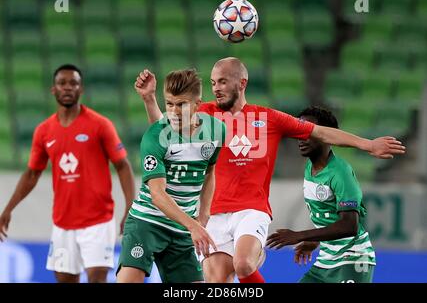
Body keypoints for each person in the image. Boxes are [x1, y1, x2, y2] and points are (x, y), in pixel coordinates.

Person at [135, 57, 405, 283]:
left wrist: (367, 144)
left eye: (223, 82)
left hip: (251, 210)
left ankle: (254, 253)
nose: (216, 88)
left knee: (242, 265)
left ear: (242, 83)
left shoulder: (269, 118)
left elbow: (321, 132)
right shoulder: (204, 113)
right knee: (215, 280)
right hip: (213, 213)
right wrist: (149, 100)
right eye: (214, 82)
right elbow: (164, 132)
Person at [0, 64, 136, 283]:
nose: (67, 87)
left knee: (97, 279)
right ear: (53, 89)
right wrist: (8, 209)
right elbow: (32, 173)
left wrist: (130, 206)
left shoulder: (100, 125)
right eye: (62, 83)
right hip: (63, 223)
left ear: (81, 89)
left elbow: (123, 165)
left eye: (73, 83)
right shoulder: (44, 131)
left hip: (98, 221)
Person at [116, 68, 226, 283]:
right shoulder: (154, 136)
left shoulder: (217, 131)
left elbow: (210, 170)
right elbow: (157, 195)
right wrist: (194, 226)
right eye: (169, 104)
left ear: (197, 104)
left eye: (182, 104)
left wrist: (203, 214)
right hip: (146, 223)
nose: (174, 111)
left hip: (182, 229)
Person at [267, 106, 376, 283]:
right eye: (299, 131)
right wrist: (315, 241)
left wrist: (298, 235)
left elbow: (349, 226)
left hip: (352, 259)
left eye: (309, 132)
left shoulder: (341, 173)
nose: (301, 138)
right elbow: (328, 214)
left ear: (327, 136)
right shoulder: (310, 167)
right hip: (326, 259)